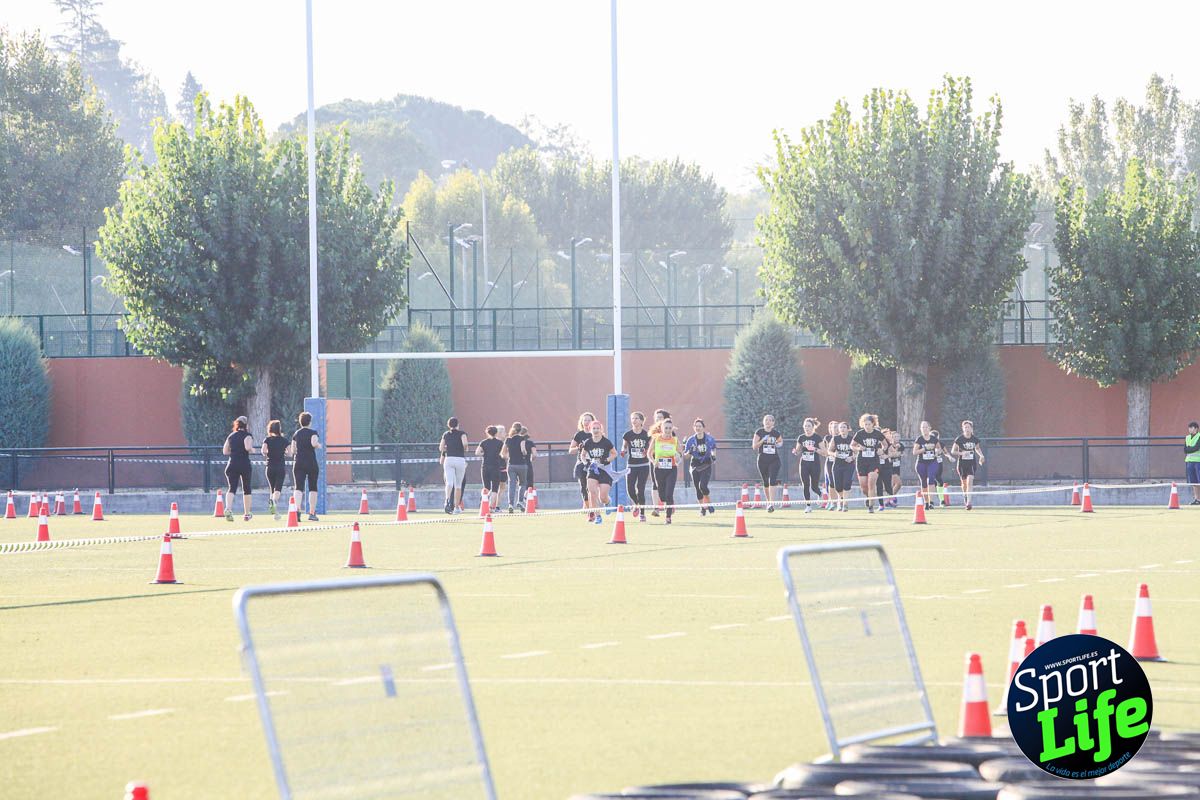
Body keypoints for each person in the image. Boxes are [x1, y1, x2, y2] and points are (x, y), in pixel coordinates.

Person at [581, 419, 616, 524]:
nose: (596, 430)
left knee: (603, 497)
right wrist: (586, 463)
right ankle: (598, 516)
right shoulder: (588, 442)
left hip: (604, 470)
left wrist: (606, 460)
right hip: (593, 470)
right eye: (593, 428)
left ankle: (608, 502)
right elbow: (582, 455)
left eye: (597, 428)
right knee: (592, 492)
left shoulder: (606, 442)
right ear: (590, 430)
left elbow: (614, 454)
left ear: (601, 430)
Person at [851, 413, 885, 513]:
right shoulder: (860, 433)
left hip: (874, 461)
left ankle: (871, 507)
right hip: (862, 461)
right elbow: (852, 446)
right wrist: (858, 448)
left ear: (873, 424)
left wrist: (881, 450)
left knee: (871, 484)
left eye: (869, 424)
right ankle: (868, 497)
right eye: (865, 424)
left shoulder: (877, 433)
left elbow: (885, 445)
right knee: (864, 486)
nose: (867, 426)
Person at [291, 411, 322, 521]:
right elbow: (314, 443)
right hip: (311, 462)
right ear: (310, 422)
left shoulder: (296, 433)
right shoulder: (313, 432)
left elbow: (293, 450)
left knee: (298, 487)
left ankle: (297, 510)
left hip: (298, 462)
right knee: (313, 487)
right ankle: (312, 513)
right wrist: (318, 445)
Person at [621, 412, 652, 521]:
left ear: (642, 421)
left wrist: (647, 451)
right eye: (632, 418)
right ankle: (637, 503)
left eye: (636, 418)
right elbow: (624, 446)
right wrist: (623, 451)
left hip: (643, 465)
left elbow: (650, 448)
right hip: (631, 465)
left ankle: (642, 514)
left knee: (641, 489)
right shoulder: (627, 434)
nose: (634, 420)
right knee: (630, 489)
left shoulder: (647, 435)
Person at [222, 415, 254, 521]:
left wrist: (235, 451)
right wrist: (252, 450)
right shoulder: (247, 435)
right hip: (244, 464)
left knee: (232, 488)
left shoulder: (231, 436)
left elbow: (225, 451)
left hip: (232, 464)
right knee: (246, 488)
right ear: (246, 425)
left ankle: (228, 508)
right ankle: (247, 513)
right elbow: (247, 447)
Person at [683, 418, 717, 515]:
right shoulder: (691, 440)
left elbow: (713, 448)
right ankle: (702, 508)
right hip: (695, 465)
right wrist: (690, 451)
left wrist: (714, 456)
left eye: (700, 426)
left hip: (706, 464)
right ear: (694, 428)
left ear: (703, 428)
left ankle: (709, 503)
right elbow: (685, 456)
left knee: (703, 486)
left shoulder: (709, 438)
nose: (698, 428)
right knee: (698, 489)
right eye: (696, 426)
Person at [650, 417, 681, 524]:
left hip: (671, 469)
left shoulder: (675, 440)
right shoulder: (656, 439)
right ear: (662, 428)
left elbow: (680, 454)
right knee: (662, 495)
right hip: (659, 469)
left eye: (669, 428)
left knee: (669, 493)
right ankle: (669, 504)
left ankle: (668, 517)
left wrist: (678, 457)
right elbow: (649, 454)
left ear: (672, 429)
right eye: (666, 428)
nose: (668, 430)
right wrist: (654, 461)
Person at [752, 414, 784, 512]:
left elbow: (780, 443)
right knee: (766, 482)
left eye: (770, 420)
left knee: (772, 480)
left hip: (774, 460)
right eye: (766, 420)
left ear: (773, 423)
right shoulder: (759, 432)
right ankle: (768, 502)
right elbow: (754, 446)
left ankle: (771, 504)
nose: (768, 422)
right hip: (762, 460)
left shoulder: (776, 433)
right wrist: (763, 440)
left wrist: (778, 444)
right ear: (763, 422)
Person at [792, 417, 824, 513]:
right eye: (805, 426)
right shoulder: (801, 437)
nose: (807, 428)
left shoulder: (817, 437)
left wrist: (814, 449)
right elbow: (797, 450)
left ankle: (820, 493)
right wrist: (795, 452)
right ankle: (808, 506)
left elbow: (825, 452)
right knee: (805, 484)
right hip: (804, 463)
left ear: (813, 427)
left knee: (814, 486)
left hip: (815, 464)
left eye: (809, 426)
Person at [951, 420, 985, 510]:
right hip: (962, 464)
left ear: (971, 429)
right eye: (965, 427)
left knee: (970, 481)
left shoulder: (974, 439)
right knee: (964, 483)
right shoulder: (959, 439)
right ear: (963, 429)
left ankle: (969, 503)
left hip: (971, 463)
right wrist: (962, 453)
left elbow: (977, 448)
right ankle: (965, 496)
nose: (967, 429)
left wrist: (981, 455)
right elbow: (953, 451)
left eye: (968, 427)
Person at [569, 412, 597, 519]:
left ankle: (592, 508)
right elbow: (570, 450)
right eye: (584, 420)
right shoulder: (579, 435)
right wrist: (579, 448)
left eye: (589, 420)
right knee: (583, 487)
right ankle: (590, 510)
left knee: (592, 488)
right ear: (581, 422)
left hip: (593, 464)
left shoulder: (595, 433)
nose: (586, 422)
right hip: (581, 463)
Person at [261, 419, 289, 520]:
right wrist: (283, 452)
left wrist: (269, 452)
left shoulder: (267, 440)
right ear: (279, 429)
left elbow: (263, 451)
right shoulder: (284, 440)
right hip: (280, 467)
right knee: (278, 489)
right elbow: (289, 453)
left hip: (270, 467)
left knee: (272, 489)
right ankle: (273, 503)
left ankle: (275, 514)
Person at [439, 417, 468, 515]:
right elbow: (465, 444)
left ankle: (446, 500)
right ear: (458, 424)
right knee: (458, 485)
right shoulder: (462, 433)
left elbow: (441, 447)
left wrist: (448, 447)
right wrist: (465, 448)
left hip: (449, 459)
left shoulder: (446, 434)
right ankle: (456, 507)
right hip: (459, 459)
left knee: (449, 482)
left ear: (448, 425)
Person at [476, 425, 507, 513]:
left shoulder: (483, 442)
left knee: (486, 487)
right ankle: (491, 508)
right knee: (494, 489)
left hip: (485, 466)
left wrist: (485, 454)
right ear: (496, 433)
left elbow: (477, 452)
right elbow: (503, 454)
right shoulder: (500, 443)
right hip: (496, 467)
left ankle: (483, 502)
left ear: (487, 432)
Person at [912, 421, 942, 510]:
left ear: (929, 428)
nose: (924, 429)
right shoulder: (919, 439)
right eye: (922, 427)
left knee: (931, 478)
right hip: (921, 463)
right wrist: (924, 449)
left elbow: (939, 449)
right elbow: (914, 452)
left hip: (932, 462)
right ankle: (926, 502)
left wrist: (937, 452)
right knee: (924, 482)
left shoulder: (934, 439)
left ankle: (931, 502)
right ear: (920, 429)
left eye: (926, 427)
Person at [502, 422, 530, 513]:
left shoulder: (508, 439)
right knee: (522, 483)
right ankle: (520, 501)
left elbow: (503, 453)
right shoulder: (522, 438)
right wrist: (525, 453)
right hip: (522, 464)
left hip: (511, 465)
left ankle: (510, 504)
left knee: (512, 484)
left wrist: (509, 457)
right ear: (520, 430)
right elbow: (523, 450)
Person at [647, 409, 671, 516]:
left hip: (668, 461)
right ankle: (656, 508)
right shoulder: (652, 432)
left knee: (667, 484)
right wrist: (652, 460)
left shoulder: (670, 431)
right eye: (656, 417)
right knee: (655, 483)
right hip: (655, 461)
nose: (657, 419)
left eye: (660, 417)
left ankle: (668, 506)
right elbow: (649, 448)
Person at [831, 421, 855, 512]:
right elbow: (829, 451)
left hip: (848, 465)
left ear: (848, 429)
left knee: (846, 484)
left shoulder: (852, 439)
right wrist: (834, 454)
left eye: (844, 427)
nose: (842, 429)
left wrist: (852, 457)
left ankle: (845, 504)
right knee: (838, 487)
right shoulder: (835, 439)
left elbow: (857, 452)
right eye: (841, 428)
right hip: (837, 464)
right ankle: (841, 500)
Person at [932, 428, 952, 507]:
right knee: (931, 482)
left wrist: (949, 457)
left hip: (939, 463)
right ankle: (930, 501)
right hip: (930, 464)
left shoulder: (941, 444)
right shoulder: (927, 444)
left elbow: (946, 452)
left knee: (939, 480)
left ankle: (942, 501)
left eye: (933, 437)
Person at [822, 420, 838, 510]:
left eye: (837, 427)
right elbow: (824, 451)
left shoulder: (842, 438)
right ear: (830, 429)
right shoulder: (827, 438)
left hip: (840, 462)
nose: (836, 429)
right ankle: (831, 501)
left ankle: (840, 501)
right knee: (830, 482)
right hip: (830, 461)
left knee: (839, 482)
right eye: (834, 427)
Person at [875, 428, 893, 509]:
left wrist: (887, 456)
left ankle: (890, 501)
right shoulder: (870, 443)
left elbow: (893, 452)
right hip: (875, 466)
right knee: (879, 486)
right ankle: (881, 504)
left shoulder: (886, 442)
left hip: (885, 466)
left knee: (888, 484)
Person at [1186, 422, 1200, 505]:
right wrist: (1191, 449)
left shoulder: (1199, 436)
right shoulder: (1187, 437)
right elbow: (1185, 450)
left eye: (1191, 427)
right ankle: (1197, 499)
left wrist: (1190, 449)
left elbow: (1197, 447)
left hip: (1198, 462)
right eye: (1189, 427)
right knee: (1194, 482)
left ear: (1196, 428)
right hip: (1190, 462)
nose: (1190, 429)